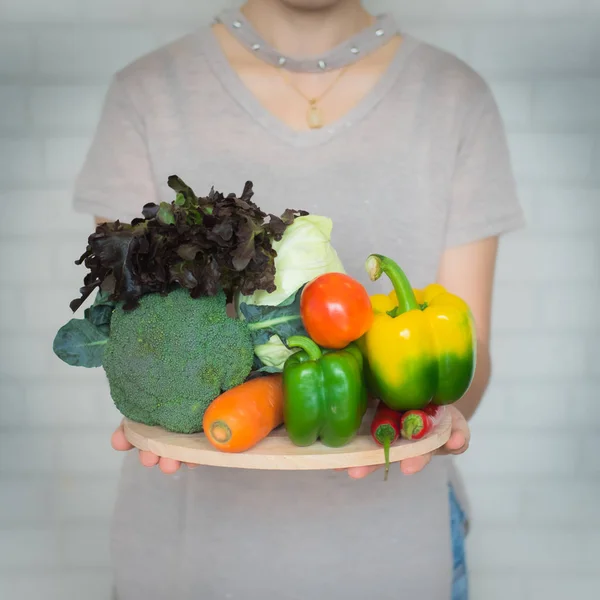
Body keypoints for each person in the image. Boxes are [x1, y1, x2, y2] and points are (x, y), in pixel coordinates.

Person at [73, 1, 525, 598]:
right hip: (184, 564)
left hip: (397, 559)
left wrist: (431, 415)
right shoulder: (146, 92)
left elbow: (472, 345)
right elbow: (137, 323)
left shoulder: (454, 96)